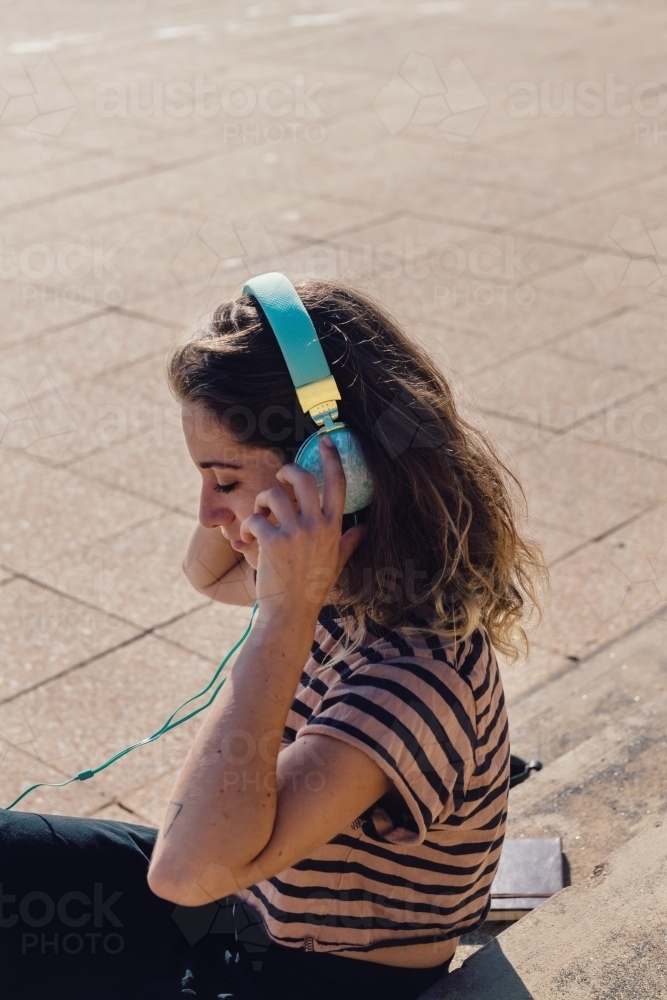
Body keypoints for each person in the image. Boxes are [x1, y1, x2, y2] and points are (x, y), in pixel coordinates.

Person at [0, 279, 542, 1000]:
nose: (205, 508)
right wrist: (259, 494)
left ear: (335, 480)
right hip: (239, 917)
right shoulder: (340, 577)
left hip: (299, 978)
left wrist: (283, 615)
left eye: (222, 480)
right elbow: (205, 572)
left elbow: (187, 873)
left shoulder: (417, 677)